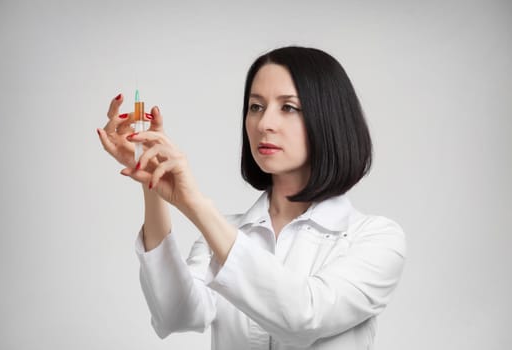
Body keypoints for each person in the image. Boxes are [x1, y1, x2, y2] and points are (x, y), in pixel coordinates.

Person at [97, 46, 406, 350]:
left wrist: (196, 206)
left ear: (328, 119)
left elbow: (303, 317)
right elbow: (174, 315)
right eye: (256, 106)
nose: (264, 124)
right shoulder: (223, 235)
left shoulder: (376, 239)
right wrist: (152, 181)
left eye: (288, 107)